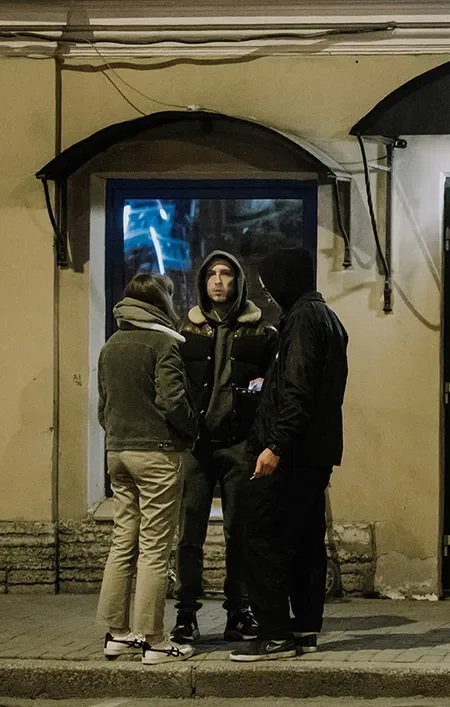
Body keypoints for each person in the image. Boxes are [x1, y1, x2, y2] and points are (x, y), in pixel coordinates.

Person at [229, 247, 348, 662]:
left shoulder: (302, 320)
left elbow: (298, 388)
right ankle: (304, 628)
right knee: (305, 540)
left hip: (291, 452)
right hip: (314, 452)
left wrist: (275, 445)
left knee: (262, 537)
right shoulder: (327, 318)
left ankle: (275, 635)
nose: (267, 293)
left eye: (269, 285)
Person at [170, 251, 277, 644]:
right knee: (189, 536)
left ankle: (239, 613)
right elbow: (173, 384)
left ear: (238, 281)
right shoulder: (186, 331)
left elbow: (272, 390)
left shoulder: (261, 332)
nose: (218, 280)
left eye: (226, 273)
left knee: (240, 533)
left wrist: (262, 438)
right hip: (197, 447)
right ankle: (186, 614)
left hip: (239, 445)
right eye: (211, 274)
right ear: (203, 281)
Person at [96, 273, 198, 665]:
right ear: (161, 303)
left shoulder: (111, 345)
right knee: (155, 547)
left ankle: (118, 634)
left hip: (117, 452)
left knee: (123, 541)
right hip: (156, 454)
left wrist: (118, 436)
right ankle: (155, 641)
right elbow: (172, 400)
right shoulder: (163, 343)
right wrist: (191, 429)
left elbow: (103, 405)